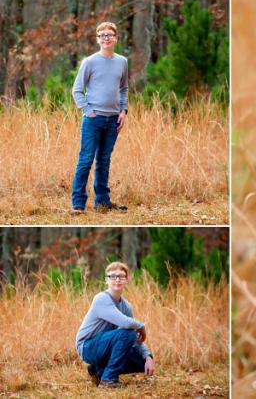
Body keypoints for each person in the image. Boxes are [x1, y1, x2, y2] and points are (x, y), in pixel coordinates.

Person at [70, 21, 129, 214]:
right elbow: (77, 90)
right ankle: (78, 204)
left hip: (113, 120)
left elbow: (123, 89)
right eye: (102, 35)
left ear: (116, 38)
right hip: (93, 119)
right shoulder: (89, 62)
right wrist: (88, 111)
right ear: (98, 39)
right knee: (86, 160)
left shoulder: (122, 61)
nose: (106, 38)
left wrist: (123, 111)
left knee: (104, 160)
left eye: (109, 35)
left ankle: (102, 202)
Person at [75, 262, 155, 388]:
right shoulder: (101, 299)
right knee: (128, 332)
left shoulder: (126, 306)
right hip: (87, 347)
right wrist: (141, 326)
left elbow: (135, 338)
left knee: (141, 361)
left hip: (104, 346)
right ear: (106, 280)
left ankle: (98, 369)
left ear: (127, 280)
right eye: (112, 276)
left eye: (121, 276)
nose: (117, 279)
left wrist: (148, 356)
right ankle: (108, 380)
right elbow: (126, 324)